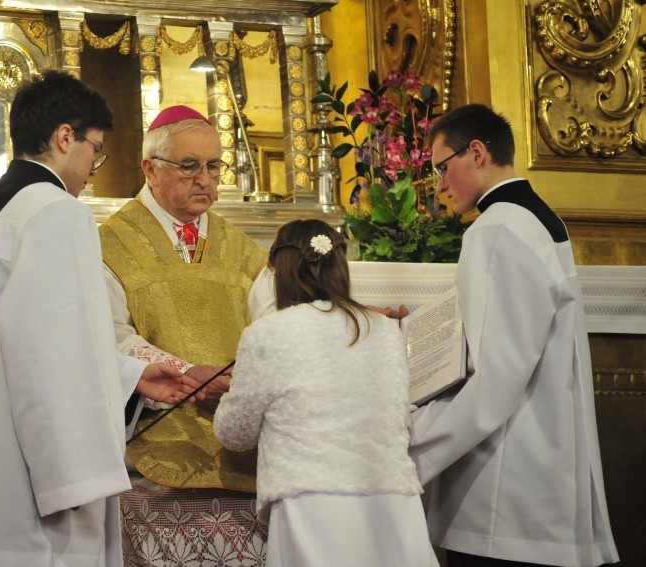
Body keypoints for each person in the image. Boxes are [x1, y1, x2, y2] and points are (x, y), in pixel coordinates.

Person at [0, 70, 198, 567]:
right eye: (94, 150)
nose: (93, 167)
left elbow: (11, 347)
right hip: (26, 486)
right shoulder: (58, 213)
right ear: (65, 136)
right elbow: (55, 359)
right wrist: (77, 480)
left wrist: (133, 375)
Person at [409, 103, 619, 567]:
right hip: (543, 465)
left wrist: (413, 449)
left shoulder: (497, 228)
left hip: (505, 490)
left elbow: (496, 376)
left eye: (442, 167)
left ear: (477, 152)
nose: (440, 185)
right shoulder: (539, 218)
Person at [99, 105, 270, 565]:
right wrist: (184, 372)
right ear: (150, 169)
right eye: (189, 166)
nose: (205, 179)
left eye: (214, 166)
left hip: (238, 442)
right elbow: (107, 333)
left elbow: (278, 325)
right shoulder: (110, 243)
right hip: (155, 441)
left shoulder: (241, 248)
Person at [213, 219, 439, 567]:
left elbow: (235, 432)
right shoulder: (383, 329)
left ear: (282, 272)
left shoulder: (268, 333)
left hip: (312, 503)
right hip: (391, 499)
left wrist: (228, 398)